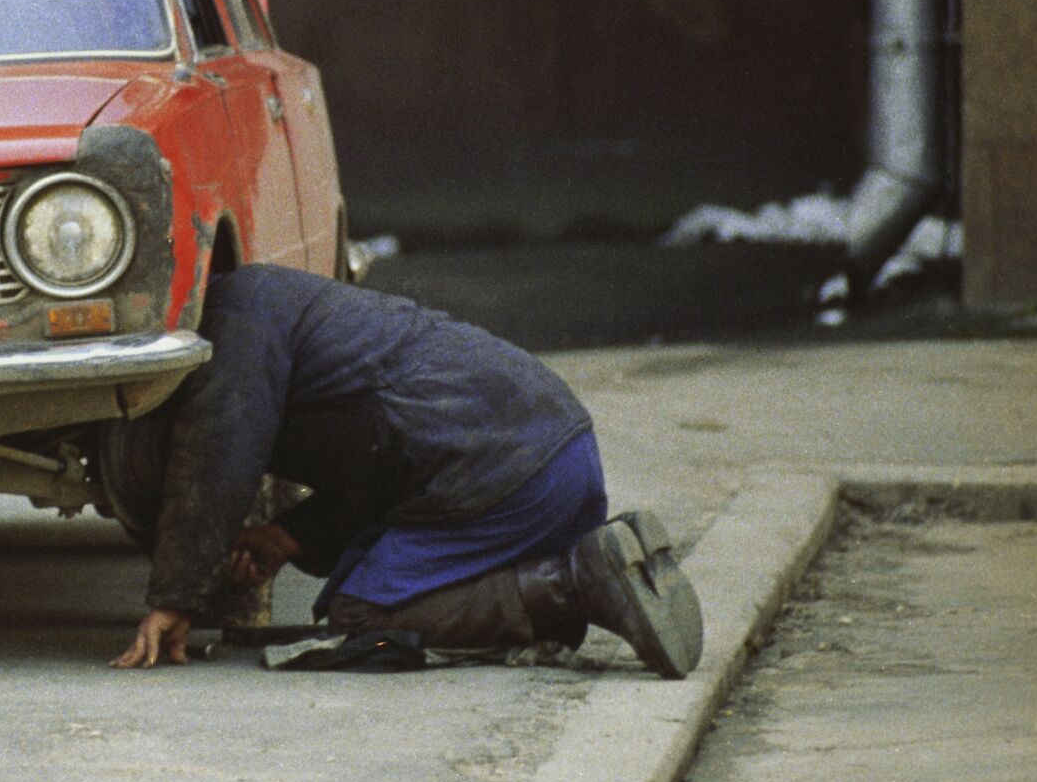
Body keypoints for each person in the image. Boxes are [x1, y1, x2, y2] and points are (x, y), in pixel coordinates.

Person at [110, 264, 703, 677]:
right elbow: (375, 448)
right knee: (375, 581)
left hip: (507, 469)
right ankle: (577, 570)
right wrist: (287, 537)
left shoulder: (230, 325)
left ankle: (572, 587)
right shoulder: (273, 300)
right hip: (555, 448)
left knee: (364, 619)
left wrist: (175, 599)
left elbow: (218, 454)